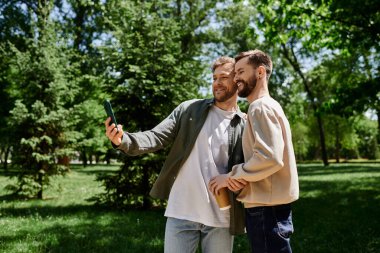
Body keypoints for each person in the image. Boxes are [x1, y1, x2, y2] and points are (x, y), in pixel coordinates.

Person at [105, 56, 247, 253]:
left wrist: (232, 178)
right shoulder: (189, 109)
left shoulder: (244, 124)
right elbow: (156, 136)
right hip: (182, 211)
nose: (217, 83)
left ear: (238, 81)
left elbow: (250, 169)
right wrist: (123, 140)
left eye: (223, 77)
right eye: (214, 78)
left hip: (220, 218)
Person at [209, 49, 299, 253]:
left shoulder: (259, 107)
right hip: (272, 205)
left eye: (240, 72)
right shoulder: (270, 105)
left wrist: (230, 177)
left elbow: (270, 157)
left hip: (266, 208)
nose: (236, 78)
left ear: (260, 72)